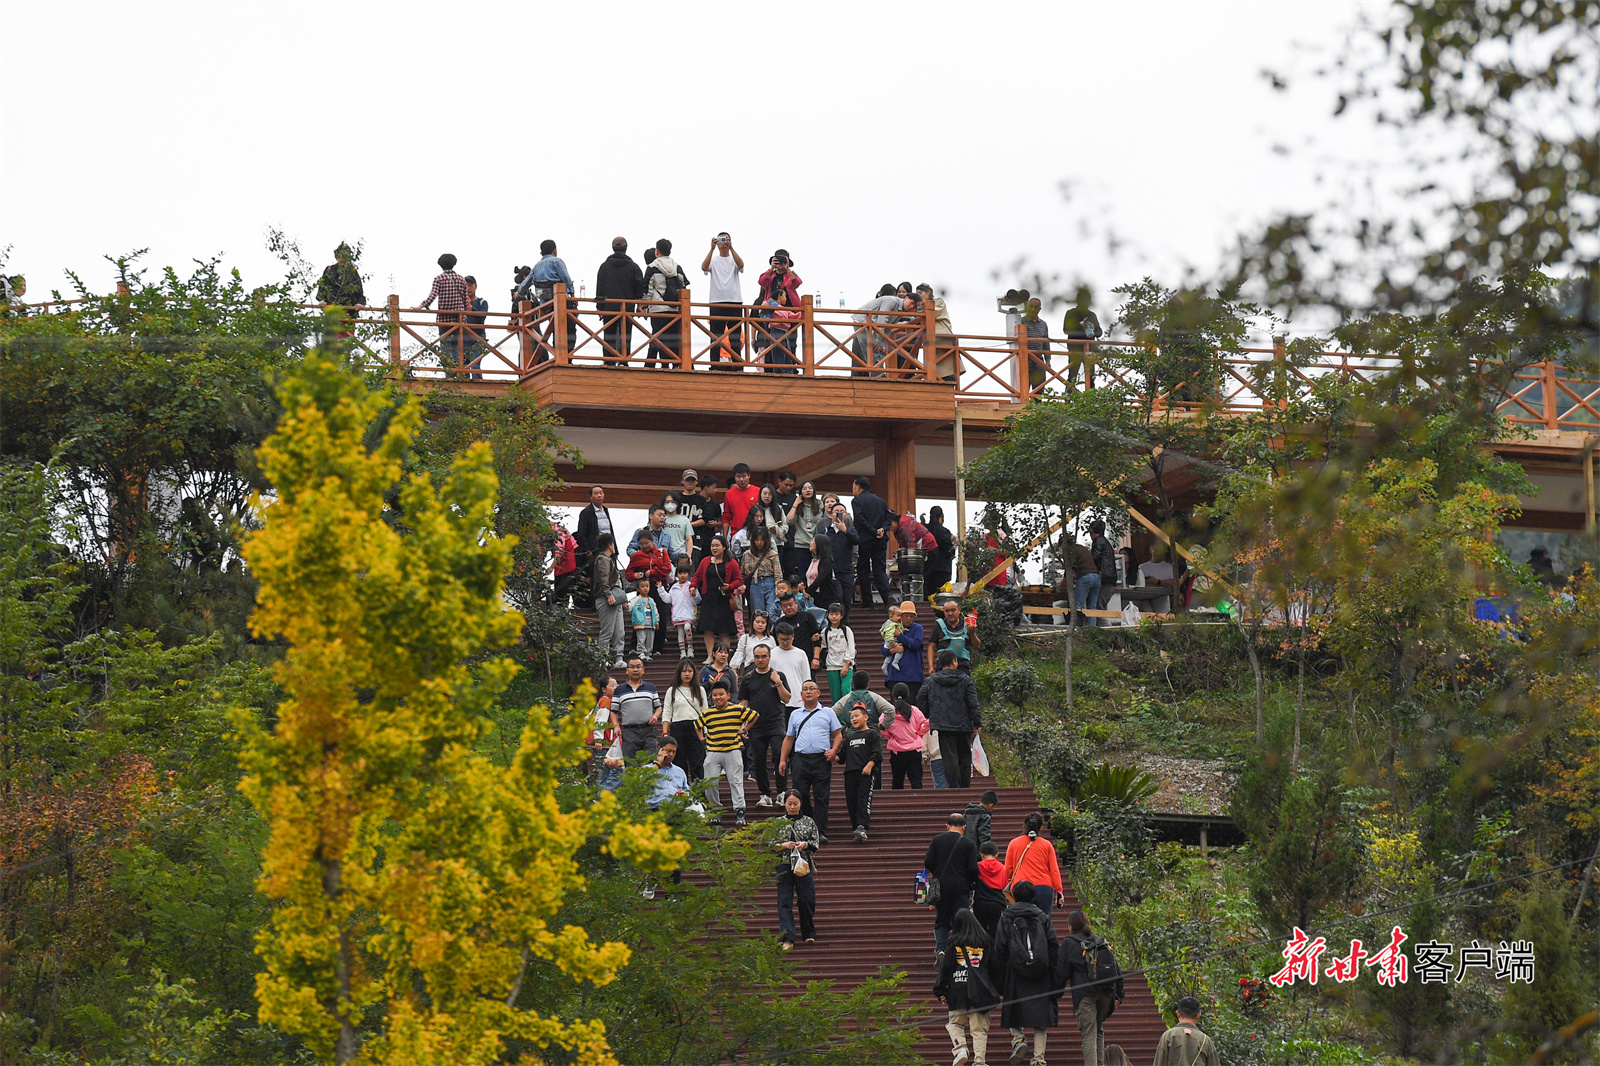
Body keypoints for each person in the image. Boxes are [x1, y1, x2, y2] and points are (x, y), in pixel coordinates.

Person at [991, 879, 1062, 1066]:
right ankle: (1038, 1059)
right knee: (1041, 1018)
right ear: (1033, 896)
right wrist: (1053, 972)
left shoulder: (1006, 916)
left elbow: (1000, 947)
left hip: (1014, 971)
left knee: (1013, 1009)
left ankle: (1019, 1040)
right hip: (1041, 972)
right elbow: (1053, 945)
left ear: (1014, 895)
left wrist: (999, 976)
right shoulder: (1043, 917)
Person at [778, 680, 843, 842]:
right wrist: (782, 760)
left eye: (812, 689)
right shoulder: (795, 714)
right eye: (805, 689)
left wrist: (834, 750)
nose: (808, 692)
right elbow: (789, 738)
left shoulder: (828, 712)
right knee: (801, 795)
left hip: (821, 759)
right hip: (801, 759)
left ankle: (820, 831)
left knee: (821, 796)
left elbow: (837, 735)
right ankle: (806, 828)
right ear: (801, 694)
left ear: (818, 693)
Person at [934, 908, 1000, 1066]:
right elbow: (996, 969)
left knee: (955, 1024)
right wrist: (995, 989)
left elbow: (945, 969)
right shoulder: (986, 943)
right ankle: (980, 1062)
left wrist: (940, 990)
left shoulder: (954, 943)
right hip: (980, 990)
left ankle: (961, 1048)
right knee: (979, 1030)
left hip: (958, 990)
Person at [1062, 909, 1124, 1066]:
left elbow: (1061, 972)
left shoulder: (1069, 943)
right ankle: (1100, 1064)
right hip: (1106, 992)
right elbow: (1116, 969)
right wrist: (1119, 995)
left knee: (1089, 1034)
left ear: (1070, 926)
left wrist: (1054, 992)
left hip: (1085, 993)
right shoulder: (1100, 941)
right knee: (1098, 1029)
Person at [698, 680, 757, 825]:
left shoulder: (737, 709)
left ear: (728, 695)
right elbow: (697, 725)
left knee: (735, 780)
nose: (718, 697)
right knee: (710, 781)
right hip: (713, 750)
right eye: (715, 695)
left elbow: (754, 715)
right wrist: (701, 737)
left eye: (721, 694)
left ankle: (740, 810)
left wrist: (744, 729)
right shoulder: (708, 713)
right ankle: (715, 809)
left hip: (733, 749)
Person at [924, 812, 981, 957]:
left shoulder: (937, 840)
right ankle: (958, 950)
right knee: (960, 919)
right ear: (964, 827)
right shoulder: (968, 844)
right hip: (961, 887)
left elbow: (928, 862)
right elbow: (973, 869)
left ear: (947, 826)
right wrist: (970, 881)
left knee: (942, 919)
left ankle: (941, 949)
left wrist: (936, 873)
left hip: (941, 886)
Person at [742, 643, 791, 805]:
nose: (760, 659)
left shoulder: (778, 675)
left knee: (779, 755)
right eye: (757, 657)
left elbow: (787, 698)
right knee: (758, 760)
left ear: (770, 657)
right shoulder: (748, 678)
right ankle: (765, 794)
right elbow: (744, 702)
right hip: (756, 725)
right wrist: (742, 724)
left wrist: (778, 682)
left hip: (776, 723)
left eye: (764, 656)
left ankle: (782, 792)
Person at [771, 790, 819, 949]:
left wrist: (805, 844)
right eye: (789, 804)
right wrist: (784, 845)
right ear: (784, 804)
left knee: (807, 899)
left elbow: (815, 844)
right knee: (784, 900)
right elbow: (771, 845)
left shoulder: (809, 822)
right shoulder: (778, 822)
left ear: (800, 804)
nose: (792, 807)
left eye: (795, 804)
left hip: (802, 864)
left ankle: (808, 932)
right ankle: (787, 937)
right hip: (784, 864)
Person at [520, 239, 577, 359]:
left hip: (546, 307)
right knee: (570, 329)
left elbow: (524, 285)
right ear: (554, 251)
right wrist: (572, 295)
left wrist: (519, 293)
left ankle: (558, 356)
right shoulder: (557, 261)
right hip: (562, 304)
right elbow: (566, 279)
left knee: (556, 330)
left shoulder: (536, 267)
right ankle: (567, 357)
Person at [691, 535, 743, 663]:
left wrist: (730, 586)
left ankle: (724, 657)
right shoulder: (705, 561)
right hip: (709, 598)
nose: (714, 548)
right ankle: (710, 656)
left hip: (724, 599)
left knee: (724, 630)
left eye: (717, 546)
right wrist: (693, 586)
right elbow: (697, 576)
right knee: (708, 628)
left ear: (724, 547)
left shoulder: (731, 563)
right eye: (712, 546)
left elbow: (738, 580)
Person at [595, 236, 645, 365]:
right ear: (626, 248)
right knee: (625, 333)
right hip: (627, 306)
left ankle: (608, 360)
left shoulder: (604, 266)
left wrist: (599, 306)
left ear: (613, 248)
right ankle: (624, 360)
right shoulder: (633, 266)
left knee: (609, 333)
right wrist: (639, 304)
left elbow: (600, 287)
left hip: (609, 306)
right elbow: (639, 287)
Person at [1001, 814, 1064, 913]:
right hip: (1044, 887)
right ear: (1040, 827)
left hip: (1021, 887)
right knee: (1043, 919)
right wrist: (1059, 890)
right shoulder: (1047, 845)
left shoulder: (1013, 843)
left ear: (1024, 825)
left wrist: (1012, 881)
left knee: (1022, 918)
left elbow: (1008, 869)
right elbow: (1054, 871)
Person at [642, 238, 689, 369]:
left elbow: (647, 289)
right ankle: (675, 364)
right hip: (675, 309)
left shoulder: (652, 267)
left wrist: (644, 305)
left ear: (657, 251)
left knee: (659, 337)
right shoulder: (677, 267)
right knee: (674, 338)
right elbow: (683, 287)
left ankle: (663, 365)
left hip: (658, 308)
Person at [702, 231, 745, 368]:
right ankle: (714, 364)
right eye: (721, 240)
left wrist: (731, 248)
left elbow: (741, 265)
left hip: (734, 300)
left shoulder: (734, 259)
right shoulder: (714, 260)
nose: (724, 243)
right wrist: (711, 249)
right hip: (716, 301)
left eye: (726, 240)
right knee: (716, 336)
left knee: (735, 336)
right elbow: (704, 267)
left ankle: (738, 365)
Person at [661, 658, 708, 782]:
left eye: (690, 671)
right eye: (684, 671)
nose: (687, 674)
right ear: (679, 673)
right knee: (679, 762)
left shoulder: (700, 690)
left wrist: (706, 732)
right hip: (678, 728)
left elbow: (705, 713)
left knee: (697, 763)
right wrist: (665, 733)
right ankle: (681, 790)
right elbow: (667, 713)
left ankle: (699, 792)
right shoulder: (672, 690)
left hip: (696, 729)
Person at [420, 253, 470, 370]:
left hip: (444, 319)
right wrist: (466, 314)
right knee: (457, 347)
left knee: (446, 348)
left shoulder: (439, 279)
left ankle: (449, 373)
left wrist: (422, 306)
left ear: (441, 265)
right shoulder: (461, 279)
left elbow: (432, 296)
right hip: (459, 319)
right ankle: (459, 371)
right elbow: (465, 300)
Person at [850, 476, 895, 607]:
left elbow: (860, 519)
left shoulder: (856, 501)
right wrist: (883, 529)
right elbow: (888, 518)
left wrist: (873, 531)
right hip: (881, 540)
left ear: (858, 487)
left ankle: (867, 601)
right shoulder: (881, 501)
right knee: (879, 570)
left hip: (865, 539)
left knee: (863, 570)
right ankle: (887, 597)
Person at [840, 704, 881, 843]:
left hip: (865, 773)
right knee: (851, 801)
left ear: (866, 717)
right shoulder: (849, 737)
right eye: (851, 717)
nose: (854, 719)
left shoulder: (872, 734)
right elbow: (842, 757)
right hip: (850, 773)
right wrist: (832, 755)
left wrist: (869, 765)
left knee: (863, 799)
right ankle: (856, 827)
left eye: (856, 716)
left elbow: (877, 754)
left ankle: (862, 826)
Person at [851, 290, 917, 377]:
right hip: (863, 321)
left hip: (868, 324)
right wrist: (878, 341)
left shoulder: (900, 310)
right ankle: (879, 377)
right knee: (873, 350)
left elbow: (888, 328)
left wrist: (882, 343)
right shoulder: (892, 301)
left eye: (914, 306)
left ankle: (861, 375)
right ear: (906, 298)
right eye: (912, 303)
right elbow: (882, 320)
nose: (911, 307)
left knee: (862, 352)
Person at [610, 654, 662, 761]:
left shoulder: (651, 688)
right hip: (630, 732)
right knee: (631, 764)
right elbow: (614, 711)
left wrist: (655, 716)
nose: (635, 670)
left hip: (648, 730)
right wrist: (616, 726)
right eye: (632, 667)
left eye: (638, 667)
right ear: (627, 670)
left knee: (650, 763)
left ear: (643, 670)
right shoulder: (619, 690)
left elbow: (658, 707)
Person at [881, 681, 931, 789]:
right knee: (916, 782)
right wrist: (918, 734)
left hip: (897, 751)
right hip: (914, 750)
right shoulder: (914, 710)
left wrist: (890, 736)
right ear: (907, 695)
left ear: (893, 695)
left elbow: (881, 727)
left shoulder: (889, 712)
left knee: (897, 782)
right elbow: (926, 723)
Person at [1152, 996, 1219, 1066]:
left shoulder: (1168, 1036)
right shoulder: (1205, 1040)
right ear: (1198, 1015)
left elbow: (1159, 1063)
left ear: (1178, 1014)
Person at [592, 534, 626, 667]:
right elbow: (604, 579)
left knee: (619, 630)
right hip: (606, 598)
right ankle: (603, 658)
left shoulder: (607, 559)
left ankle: (618, 658)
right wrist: (608, 594)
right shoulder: (603, 559)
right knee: (607, 631)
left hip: (614, 598)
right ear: (610, 545)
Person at [823, 499, 859, 622]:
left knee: (847, 598)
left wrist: (845, 530)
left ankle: (845, 621)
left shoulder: (850, 530)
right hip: (833, 570)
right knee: (838, 596)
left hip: (847, 569)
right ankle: (835, 621)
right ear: (831, 514)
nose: (839, 513)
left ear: (845, 515)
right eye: (836, 511)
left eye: (842, 511)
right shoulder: (827, 530)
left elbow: (856, 540)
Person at [768, 621, 813, 717]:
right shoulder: (772, 654)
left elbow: (806, 678)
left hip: (798, 700)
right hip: (778, 701)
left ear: (793, 637)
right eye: (782, 640)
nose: (785, 643)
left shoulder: (801, 654)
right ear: (777, 638)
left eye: (787, 639)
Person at [916, 283, 959, 383]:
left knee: (947, 366)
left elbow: (932, 313)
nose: (918, 295)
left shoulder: (938, 301)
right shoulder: (919, 306)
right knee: (933, 367)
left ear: (928, 292)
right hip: (930, 341)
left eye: (920, 293)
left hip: (942, 337)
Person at [316, 242, 365, 326]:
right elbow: (322, 288)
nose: (343, 259)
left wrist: (360, 303)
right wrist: (322, 300)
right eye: (340, 256)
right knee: (332, 332)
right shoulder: (329, 270)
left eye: (345, 256)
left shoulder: (352, 272)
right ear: (336, 256)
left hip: (348, 312)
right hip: (331, 310)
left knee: (347, 333)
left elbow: (359, 293)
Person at [1061, 288, 1102, 388]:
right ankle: (1069, 396)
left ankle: (1091, 396)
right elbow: (1066, 330)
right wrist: (1079, 325)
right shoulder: (1071, 313)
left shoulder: (1091, 315)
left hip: (1089, 349)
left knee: (1091, 377)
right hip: (1075, 349)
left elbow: (1099, 332)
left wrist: (1093, 328)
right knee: (1072, 376)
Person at [673, 470, 718, 562]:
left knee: (693, 564)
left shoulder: (701, 500)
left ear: (696, 482)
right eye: (687, 480)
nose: (690, 483)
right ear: (683, 481)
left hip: (696, 539)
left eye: (692, 480)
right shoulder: (677, 499)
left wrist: (689, 524)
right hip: (678, 538)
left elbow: (705, 519)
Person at [742, 526, 783, 622]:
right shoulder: (747, 555)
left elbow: (778, 574)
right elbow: (743, 573)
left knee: (771, 613)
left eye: (762, 540)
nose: (759, 542)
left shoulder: (773, 554)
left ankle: (771, 631)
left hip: (770, 583)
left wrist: (778, 588)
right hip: (755, 584)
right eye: (757, 540)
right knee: (758, 613)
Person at [574, 484, 614, 581]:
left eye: (601, 493)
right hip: (595, 550)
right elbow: (581, 534)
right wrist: (587, 551)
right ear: (591, 497)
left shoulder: (605, 510)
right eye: (596, 493)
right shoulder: (586, 512)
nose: (599, 495)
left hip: (609, 548)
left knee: (610, 575)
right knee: (598, 577)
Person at [819, 604, 857, 703]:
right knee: (835, 696)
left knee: (846, 690)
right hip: (831, 666)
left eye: (836, 614)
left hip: (846, 665)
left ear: (841, 616)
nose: (834, 617)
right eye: (831, 614)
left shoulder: (846, 630)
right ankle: (837, 714)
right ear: (828, 615)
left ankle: (849, 712)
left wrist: (847, 663)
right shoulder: (825, 632)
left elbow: (851, 648)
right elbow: (823, 647)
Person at [885, 601, 927, 690]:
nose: (908, 618)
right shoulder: (892, 626)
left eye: (911, 616)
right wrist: (893, 650)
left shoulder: (917, 628)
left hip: (913, 676)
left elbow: (915, 644)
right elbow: (883, 649)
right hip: (895, 676)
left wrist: (899, 635)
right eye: (906, 616)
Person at [932, 599, 981, 673]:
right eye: (947, 611)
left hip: (963, 667)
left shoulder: (968, 624)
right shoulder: (939, 625)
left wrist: (972, 633)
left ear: (959, 610)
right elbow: (931, 646)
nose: (950, 613)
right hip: (943, 667)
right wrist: (930, 666)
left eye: (953, 610)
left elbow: (977, 646)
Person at [590, 677, 622, 792]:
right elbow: (600, 721)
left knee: (605, 772)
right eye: (612, 686)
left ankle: (601, 795)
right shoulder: (606, 702)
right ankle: (605, 795)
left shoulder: (602, 701)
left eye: (616, 685)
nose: (615, 688)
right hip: (605, 744)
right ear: (604, 689)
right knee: (617, 770)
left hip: (606, 743)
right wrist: (598, 739)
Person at [788, 481, 825, 579]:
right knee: (803, 574)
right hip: (801, 545)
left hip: (817, 545)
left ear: (814, 490)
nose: (807, 490)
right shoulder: (799, 506)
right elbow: (789, 521)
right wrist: (795, 504)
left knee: (817, 574)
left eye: (810, 488)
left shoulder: (820, 505)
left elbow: (825, 522)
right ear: (801, 492)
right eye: (804, 488)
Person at [973, 841, 1009, 940]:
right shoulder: (1003, 869)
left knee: (980, 934)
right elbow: (1006, 887)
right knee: (996, 933)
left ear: (981, 854)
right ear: (997, 855)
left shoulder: (977, 867)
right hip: (997, 904)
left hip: (980, 903)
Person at [647, 735, 691, 810]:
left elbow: (688, 793)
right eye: (669, 751)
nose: (671, 755)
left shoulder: (680, 771)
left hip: (677, 810)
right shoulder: (647, 768)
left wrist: (685, 795)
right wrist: (658, 763)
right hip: (655, 810)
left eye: (674, 752)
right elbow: (644, 783)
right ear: (660, 750)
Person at [1066, 535, 1100, 627]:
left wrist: (1063, 584)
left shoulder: (1070, 551)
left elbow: (1070, 572)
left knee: (1078, 606)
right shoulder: (1082, 548)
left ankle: (1077, 628)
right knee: (1092, 607)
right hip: (1096, 577)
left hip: (1085, 577)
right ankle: (1092, 629)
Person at [722, 463, 761, 538]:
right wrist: (724, 537)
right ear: (735, 477)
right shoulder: (729, 494)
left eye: (744, 476)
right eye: (738, 476)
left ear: (749, 475)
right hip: (736, 534)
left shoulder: (758, 491)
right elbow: (726, 517)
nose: (741, 479)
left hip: (755, 534)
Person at [924, 505, 957, 595]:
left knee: (929, 596)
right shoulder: (944, 532)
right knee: (942, 597)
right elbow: (949, 552)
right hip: (942, 569)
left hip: (928, 568)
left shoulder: (925, 530)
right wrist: (954, 546)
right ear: (941, 516)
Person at [461, 276, 489, 379]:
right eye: (466, 286)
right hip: (462, 340)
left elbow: (482, 317)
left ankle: (479, 387)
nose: (468, 288)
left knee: (475, 366)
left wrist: (471, 308)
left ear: (475, 286)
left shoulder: (482, 302)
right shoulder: (459, 303)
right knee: (463, 370)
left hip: (478, 340)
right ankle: (465, 389)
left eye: (470, 285)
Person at [1022, 297, 1051, 394]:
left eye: (1036, 307)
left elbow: (1046, 343)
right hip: (1025, 359)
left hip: (1039, 359)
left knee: (1039, 389)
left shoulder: (1043, 324)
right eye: (1031, 306)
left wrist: (1048, 360)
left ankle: (1037, 404)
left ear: (1039, 309)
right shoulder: (1021, 321)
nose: (1033, 309)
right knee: (1024, 388)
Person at [1089, 519, 1120, 608]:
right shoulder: (1104, 541)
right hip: (1109, 578)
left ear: (1092, 531)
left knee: (1099, 606)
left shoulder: (1098, 541)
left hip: (1104, 578)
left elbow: (1094, 558)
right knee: (1100, 606)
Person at [629, 577, 660, 661]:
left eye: (647, 586)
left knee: (650, 640)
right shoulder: (636, 599)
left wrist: (657, 621)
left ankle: (648, 653)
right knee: (641, 638)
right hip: (640, 623)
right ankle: (641, 652)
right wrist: (626, 606)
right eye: (643, 586)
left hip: (651, 623)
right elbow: (629, 607)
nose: (645, 588)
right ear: (638, 589)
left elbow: (655, 611)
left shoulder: (651, 600)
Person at [550, 521, 579, 610]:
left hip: (570, 558)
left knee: (567, 585)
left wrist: (551, 567)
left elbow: (559, 551)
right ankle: (561, 607)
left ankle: (567, 608)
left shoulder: (558, 531)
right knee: (559, 587)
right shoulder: (544, 535)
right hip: (561, 564)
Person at [661, 499, 693, 573]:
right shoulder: (661, 520)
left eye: (672, 502)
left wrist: (689, 556)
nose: (670, 504)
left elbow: (689, 539)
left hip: (681, 556)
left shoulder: (685, 520)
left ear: (677, 504)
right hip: (664, 556)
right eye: (667, 502)